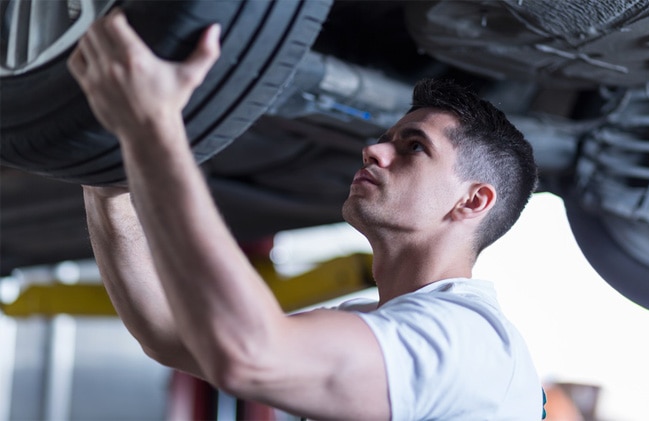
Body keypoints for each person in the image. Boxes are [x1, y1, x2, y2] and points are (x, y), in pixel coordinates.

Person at [68, 9, 543, 420]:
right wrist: (107, 183)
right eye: (386, 138)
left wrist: (153, 126)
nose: (373, 150)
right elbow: (170, 335)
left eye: (414, 147)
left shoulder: (466, 340)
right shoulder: (378, 321)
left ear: (472, 201)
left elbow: (250, 355)